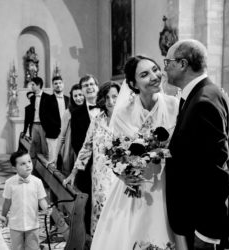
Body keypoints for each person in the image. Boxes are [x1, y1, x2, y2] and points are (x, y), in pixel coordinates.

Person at [164, 39, 229, 250]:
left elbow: (216, 172)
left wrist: (208, 234)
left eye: (167, 61)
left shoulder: (203, 102)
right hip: (199, 216)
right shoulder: (204, 94)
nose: (165, 68)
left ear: (182, 64)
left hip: (205, 224)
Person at [91, 56, 181, 250]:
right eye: (145, 74)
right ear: (133, 84)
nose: (155, 76)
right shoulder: (123, 112)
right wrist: (122, 174)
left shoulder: (174, 105)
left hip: (167, 183)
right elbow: (114, 151)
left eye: (156, 70)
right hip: (137, 184)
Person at [63, 81, 120, 236]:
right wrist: (73, 173)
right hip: (99, 177)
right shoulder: (97, 119)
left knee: (118, 215)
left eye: (114, 97)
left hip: (119, 177)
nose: (111, 101)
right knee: (100, 213)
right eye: (107, 97)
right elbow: (86, 147)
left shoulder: (124, 119)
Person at [2, 150, 51, 250]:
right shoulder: (9, 183)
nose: (28, 165)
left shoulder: (37, 182)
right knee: (17, 247)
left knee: (33, 247)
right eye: (23, 164)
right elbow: (7, 201)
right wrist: (3, 216)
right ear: (14, 168)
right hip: (16, 223)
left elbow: (41, 199)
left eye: (29, 162)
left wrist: (46, 208)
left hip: (33, 223)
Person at [70, 74, 100, 235]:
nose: (89, 87)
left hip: (106, 164)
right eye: (85, 86)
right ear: (81, 90)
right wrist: (89, 161)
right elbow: (76, 143)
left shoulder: (107, 108)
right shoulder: (76, 114)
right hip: (87, 166)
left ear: (97, 86)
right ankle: (90, 236)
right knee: (89, 201)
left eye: (91, 84)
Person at [48, 83, 84, 175]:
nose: (78, 98)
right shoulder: (68, 112)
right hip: (70, 149)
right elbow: (62, 136)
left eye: (80, 95)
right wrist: (55, 156)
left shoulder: (89, 111)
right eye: (75, 96)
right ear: (72, 97)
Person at [42, 76, 69, 160]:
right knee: (53, 158)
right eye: (55, 83)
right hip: (53, 134)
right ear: (53, 86)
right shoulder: (47, 100)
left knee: (66, 158)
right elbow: (43, 117)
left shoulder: (68, 99)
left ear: (63, 84)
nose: (58, 85)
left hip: (66, 134)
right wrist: (49, 129)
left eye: (60, 83)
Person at [27, 77, 50, 160]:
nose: (31, 86)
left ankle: (47, 170)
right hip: (34, 125)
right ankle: (33, 168)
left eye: (33, 84)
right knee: (33, 147)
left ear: (39, 85)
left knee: (45, 147)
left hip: (43, 125)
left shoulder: (48, 97)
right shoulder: (32, 98)